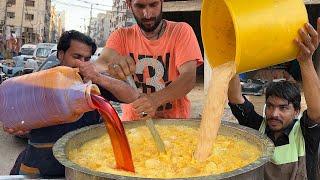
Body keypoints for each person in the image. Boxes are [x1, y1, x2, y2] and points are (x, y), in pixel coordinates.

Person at [6, 30, 139, 178]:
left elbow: (131, 96)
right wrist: (18, 126)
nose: (81, 64)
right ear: (61, 55)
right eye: (76, 57)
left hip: (82, 164)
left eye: (86, 59)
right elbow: (14, 114)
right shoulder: (37, 83)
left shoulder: (91, 83)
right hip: (41, 165)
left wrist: (98, 77)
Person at [228, 18, 320, 180]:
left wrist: (306, 62)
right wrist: (230, 55)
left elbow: (317, 111)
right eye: (270, 106)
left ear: (296, 111)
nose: (274, 113)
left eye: (283, 108)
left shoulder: (306, 133)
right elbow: (235, 97)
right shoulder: (257, 127)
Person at [95, 0, 203, 121]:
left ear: (162, 2)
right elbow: (100, 64)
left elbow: (188, 77)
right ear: (129, 5)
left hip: (175, 123)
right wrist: (112, 64)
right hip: (133, 125)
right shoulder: (120, 36)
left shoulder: (181, 31)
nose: (147, 14)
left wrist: (155, 100)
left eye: (153, 5)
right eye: (140, 6)